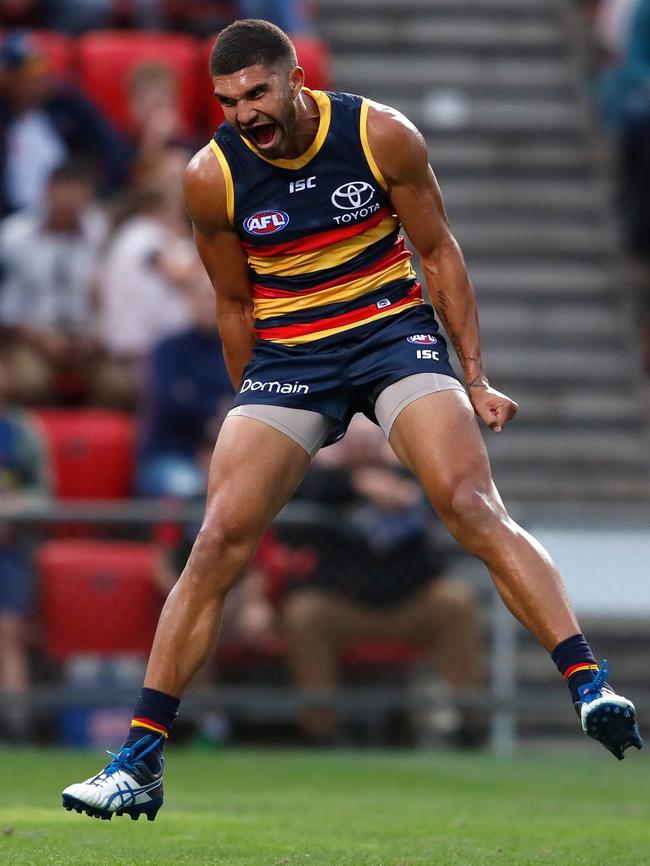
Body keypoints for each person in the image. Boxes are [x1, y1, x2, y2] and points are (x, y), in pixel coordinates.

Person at [62, 19, 643, 823]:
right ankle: (139, 758)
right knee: (218, 538)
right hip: (292, 359)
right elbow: (234, 303)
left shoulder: (379, 136)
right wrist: (253, 409)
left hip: (390, 336)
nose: (244, 113)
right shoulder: (211, 178)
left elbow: (438, 252)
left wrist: (474, 377)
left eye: (257, 93)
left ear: (295, 80)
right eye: (228, 100)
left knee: (470, 504)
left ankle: (589, 684)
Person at [280, 415, 484, 747]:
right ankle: (322, 728)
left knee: (455, 601)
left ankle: (470, 721)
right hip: (346, 604)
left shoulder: (412, 473)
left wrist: (402, 489)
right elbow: (295, 514)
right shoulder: (324, 483)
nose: (363, 449)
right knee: (304, 613)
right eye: (354, 444)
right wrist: (355, 484)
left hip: (410, 602)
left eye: (369, 443)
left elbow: (448, 497)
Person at [0, 161, 109, 405]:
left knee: (118, 383)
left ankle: (92, 440)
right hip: (31, 335)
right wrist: (40, 339)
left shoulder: (99, 233)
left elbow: (105, 296)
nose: (70, 205)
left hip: (85, 338)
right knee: (30, 381)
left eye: (78, 199)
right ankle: (32, 440)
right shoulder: (13, 237)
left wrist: (94, 337)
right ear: (47, 192)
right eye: (64, 198)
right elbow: (6, 308)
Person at [0, 31, 129, 217]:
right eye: (28, 74)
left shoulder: (68, 105)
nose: (39, 80)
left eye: (42, 71)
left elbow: (112, 152)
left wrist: (95, 194)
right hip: (14, 222)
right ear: (8, 78)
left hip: (77, 211)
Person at [0, 347, 51, 740]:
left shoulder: (23, 430)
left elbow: (47, 494)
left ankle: (16, 728)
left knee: (9, 632)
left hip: (10, 551)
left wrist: (15, 507)